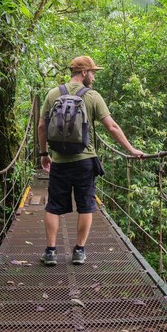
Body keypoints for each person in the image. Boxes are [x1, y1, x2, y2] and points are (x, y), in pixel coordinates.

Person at [37, 55, 144, 266]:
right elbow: (112, 127)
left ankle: (50, 252)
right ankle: (79, 251)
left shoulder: (53, 94)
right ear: (84, 73)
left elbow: (42, 127)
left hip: (59, 160)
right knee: (86, 205)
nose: (94, 77)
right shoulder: (93, 96)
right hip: (85, 160)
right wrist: (130, 149)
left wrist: (44, 154)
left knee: (53, 206)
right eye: (93, 72)